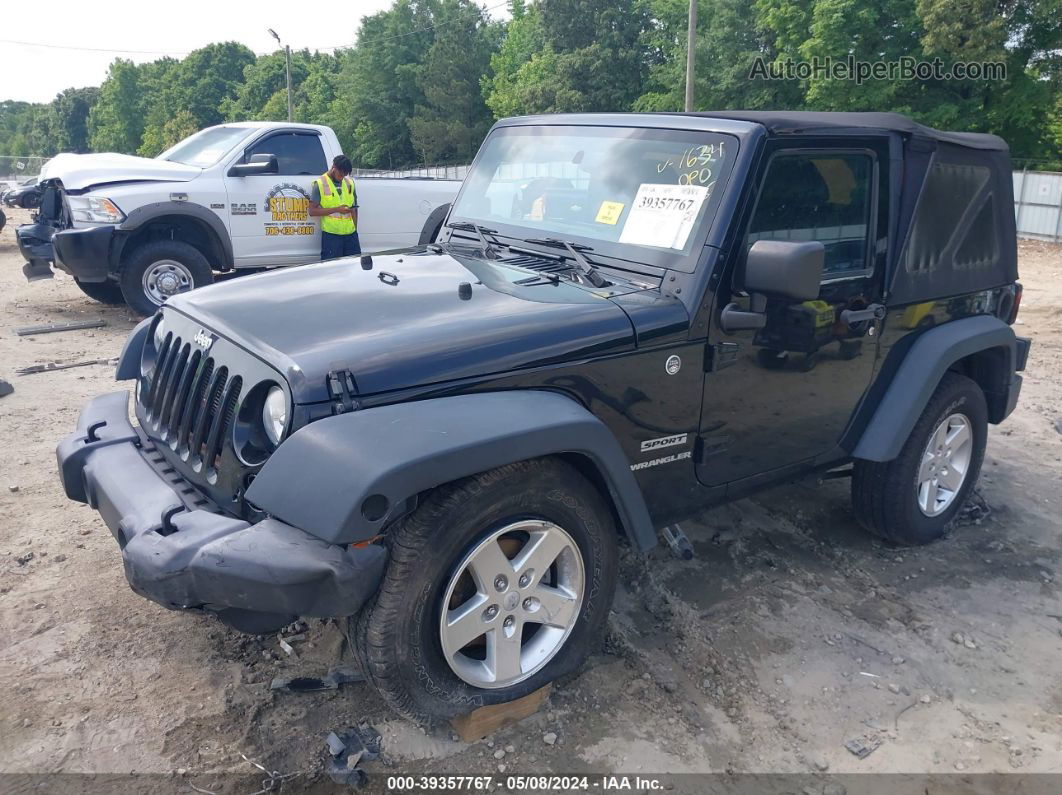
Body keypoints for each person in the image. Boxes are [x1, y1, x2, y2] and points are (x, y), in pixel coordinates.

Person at [309, 155, 361, 261]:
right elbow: (312, 211)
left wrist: (355, 231)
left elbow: (354, 210)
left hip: (350, 236)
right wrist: (337, 209)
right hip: (332, 236)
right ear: (334, 167)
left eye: (345, 175)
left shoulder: (350, 183)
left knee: (354, 268)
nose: (342, 177)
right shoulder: (320, 183)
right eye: (340, 174)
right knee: (331, 271)